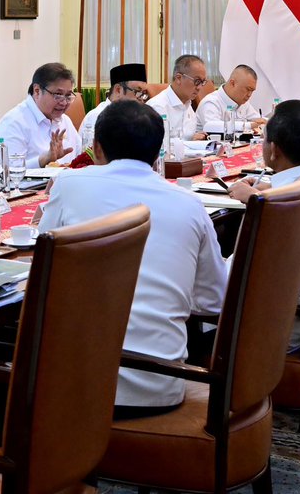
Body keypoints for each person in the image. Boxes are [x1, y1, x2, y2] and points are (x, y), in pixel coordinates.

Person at [38, 99, 226, 413]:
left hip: (76, 386)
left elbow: (42, 269)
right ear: (158, 152)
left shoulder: (69, 185)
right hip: (163, 385)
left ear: (96, 148)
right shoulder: (189, 204)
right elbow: (214, 301)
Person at [228, 100, 300, 203]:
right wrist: (272, 188)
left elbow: (278, 208)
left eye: (264, 137)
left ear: (274, 150)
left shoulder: (275, 203)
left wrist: (253, 197)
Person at [0, 62, 81, 168]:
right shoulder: (13, 124)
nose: (64, 102)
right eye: (58, 94)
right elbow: (7, 172)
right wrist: (43, 160)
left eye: (68, 95)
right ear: (37, 91)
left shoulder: (65, 121)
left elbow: (81, 154)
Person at [79, 62, 149, 151]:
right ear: (118, 90)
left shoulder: (135, 116)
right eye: (137, 92)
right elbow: (92, 155)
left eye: (143, 94)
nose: (142, 100)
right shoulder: (97, 117)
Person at [147, 54, 209, 141]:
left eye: (202, 82)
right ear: (179, 78)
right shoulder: (158, 107)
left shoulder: (188, 105)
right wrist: (189, 141)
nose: (199, 87)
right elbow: (159, 144)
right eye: (197, 81)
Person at [195, 64, 266, 135]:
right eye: (248, 89)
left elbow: (259, 119)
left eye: (252, 91)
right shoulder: (210, 102)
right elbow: (211, 127)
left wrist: (268, 122)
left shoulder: (243, 102)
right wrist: (248, 125)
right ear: (233, 83)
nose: (249, 94)